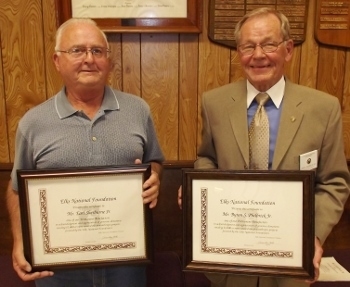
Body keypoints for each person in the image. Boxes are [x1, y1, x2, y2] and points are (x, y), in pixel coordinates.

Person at [178, 7, 350, 287]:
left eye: (269, 44)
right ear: (239, 53)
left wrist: (313, 238)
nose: (258, 55)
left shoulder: (324, 108)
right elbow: (207, 158)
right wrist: (199, 188)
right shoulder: (215, 103)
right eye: (248, 46)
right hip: (230, 262)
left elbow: (334, 182)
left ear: (288, 49)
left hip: (290, 261)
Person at [6, 18, 164, 287]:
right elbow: (15, 190)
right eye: (77, 50)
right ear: (57, 61)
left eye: (97, 51)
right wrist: (19, 241)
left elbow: (155, 161)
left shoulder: (138, 110)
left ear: (109, 60)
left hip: (126, 262)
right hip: (59, 268)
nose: (89, 59)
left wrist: (155, 178)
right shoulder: (33, 123)